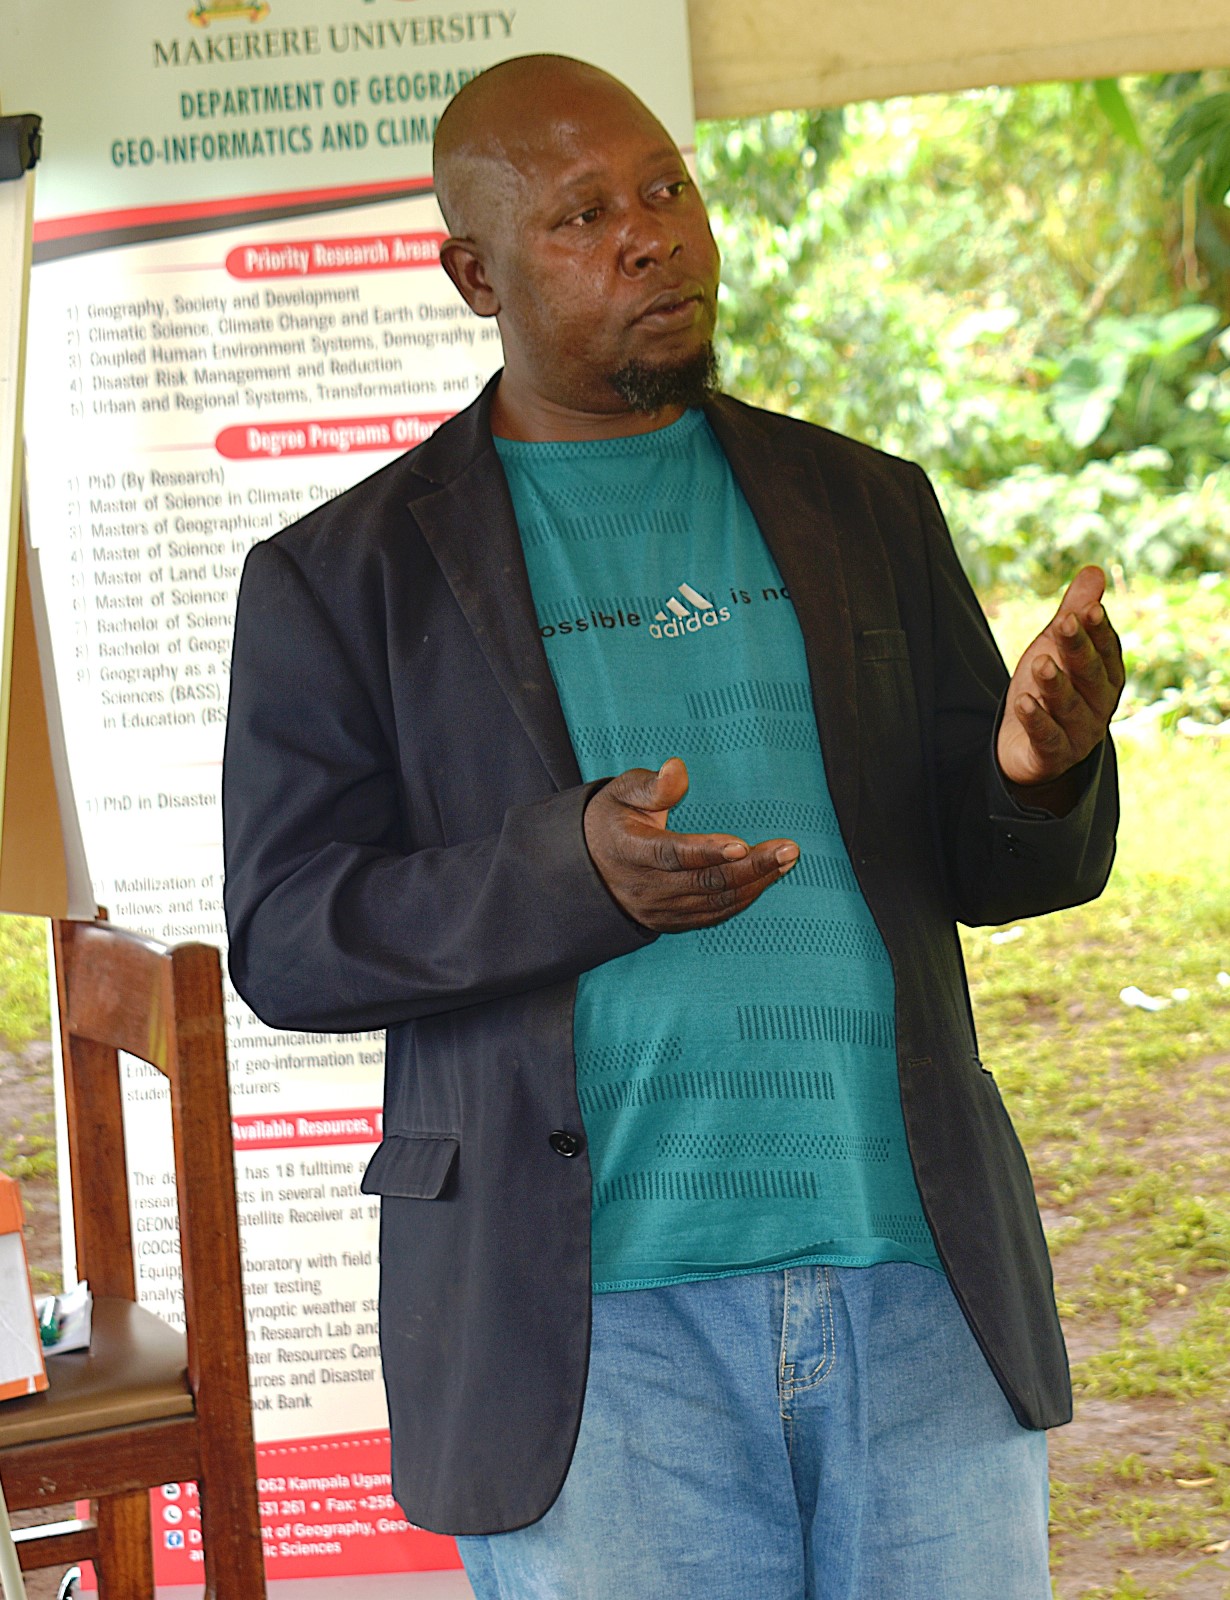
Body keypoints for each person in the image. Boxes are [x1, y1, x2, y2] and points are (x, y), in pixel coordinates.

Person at [223, 53, 1124, 1599]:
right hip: (588, 1334)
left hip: (914, 1278)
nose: (650, 234)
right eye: (581, 214)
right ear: (472, 273)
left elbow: (989, 868)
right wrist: (566, 870)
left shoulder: (863, 506)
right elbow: (290, 937)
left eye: (664, 190)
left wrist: (1035, 770)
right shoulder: (342, 577)